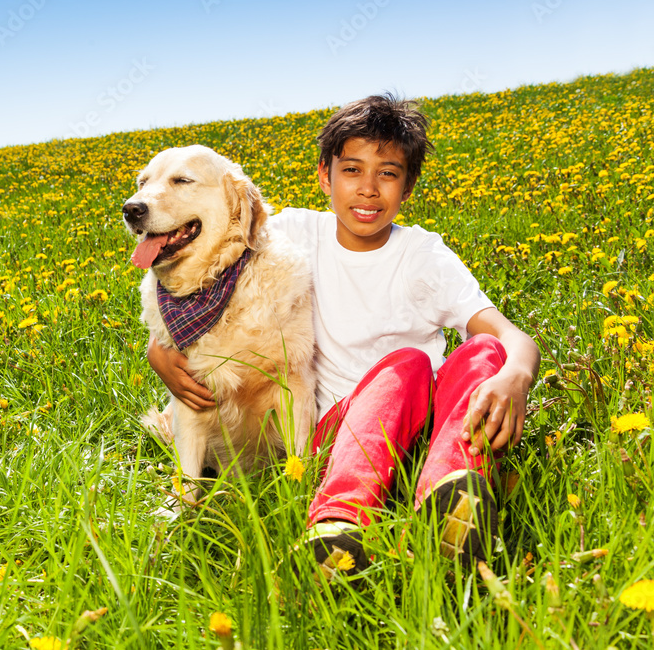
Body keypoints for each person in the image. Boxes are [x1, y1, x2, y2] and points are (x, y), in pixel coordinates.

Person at [146, 94, 540, 577]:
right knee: (409, 362)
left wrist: (515, 377)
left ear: (409, 185)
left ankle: (452, 494)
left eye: (388, 174)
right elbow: (206, 264)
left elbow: (510, 336)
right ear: (324, 176)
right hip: (331, 437)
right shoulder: (293, 233)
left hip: (417, 432)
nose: (368, 189)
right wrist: (158, 348)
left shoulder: (424, 256)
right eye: (352, 170)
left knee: (483, 352)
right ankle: (338, 521)